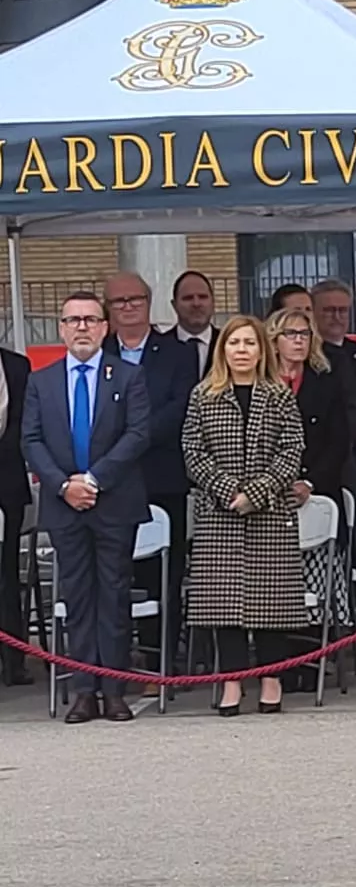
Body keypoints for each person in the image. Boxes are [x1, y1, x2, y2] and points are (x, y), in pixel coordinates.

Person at [21, 291, 152, 723]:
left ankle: (114, 690)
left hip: (113, 501)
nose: (82, 327)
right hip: (64, 506)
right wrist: (63, 486)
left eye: (91, 320)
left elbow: (138, 434)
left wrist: (93, 480)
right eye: (73, 320)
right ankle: (83, 691)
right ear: (60, 328)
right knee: (77, 596)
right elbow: (31, 440)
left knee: (113, 595)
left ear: (104, 327)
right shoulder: (42, 380)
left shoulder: (128, 376)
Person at [182, 315, 308, 716]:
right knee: (223, 605)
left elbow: (291, 453)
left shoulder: (280, 397)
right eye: (234, 343)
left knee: (270, 603)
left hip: (269, 512)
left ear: (261, 350)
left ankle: (271, 680)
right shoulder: (203, 395)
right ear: (224, 350)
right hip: (219, 515)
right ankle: (231, 682)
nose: (241, 350)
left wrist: (255, 492)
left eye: (249, 343)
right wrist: (226, 490)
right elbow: (193, 453)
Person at [105, 271, 199, 677]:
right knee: (114, 572)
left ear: (149, 301)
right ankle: (116, 661)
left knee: (165, 573)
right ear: (108, 310)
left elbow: (181, 407)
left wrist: (133, 439)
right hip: (109, 481)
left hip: (162, 477)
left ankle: (161, 660)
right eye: (118, 301)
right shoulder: (95, 352)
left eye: (135, 299)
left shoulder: (176, 353)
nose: (128, 307)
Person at [271, 307, 352, 505]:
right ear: (274, 341)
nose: (299, 340)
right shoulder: (261, 384)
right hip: (269, 492)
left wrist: (309, 482)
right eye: (290, 333)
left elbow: (339, 441)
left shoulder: (326, 383)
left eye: (304, 334)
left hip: (319, 489)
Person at [0, 339, 32, 685]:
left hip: (6, 485)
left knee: (7, 575)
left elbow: (23, 425)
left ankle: (14, 662)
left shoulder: (17, 366)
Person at [168, 270, 220, 372]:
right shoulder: (158, 348)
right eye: (188, 298)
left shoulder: (227, 344)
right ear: (174, 305)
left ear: (213, 302)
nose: (196, 304)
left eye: (203, 297)